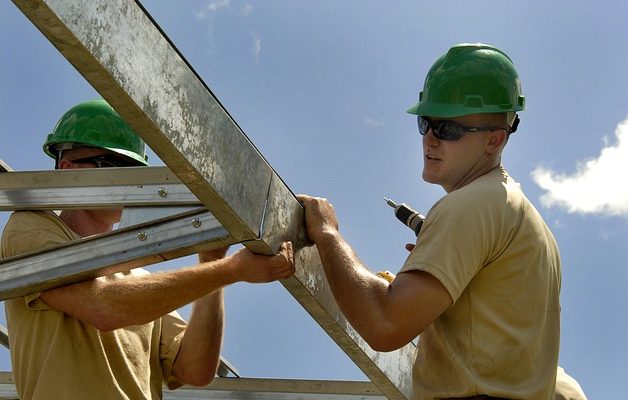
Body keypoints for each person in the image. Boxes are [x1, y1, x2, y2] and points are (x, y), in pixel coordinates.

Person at [299, 43, 561, 399]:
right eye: (426, 123)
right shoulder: (518, 215)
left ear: (494, 139)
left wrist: (328, 235)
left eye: (448, 129)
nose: (430, 139)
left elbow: (385, 324)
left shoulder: (471, 206)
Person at [1, 99, 295, 400]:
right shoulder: (31, 227)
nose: (129, 181)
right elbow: (102, 306)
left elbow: (194, 369)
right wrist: (229, 270)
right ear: (67, 169)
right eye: (114, 166)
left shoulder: (138, 279)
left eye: (133, 169)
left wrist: (211, 263)